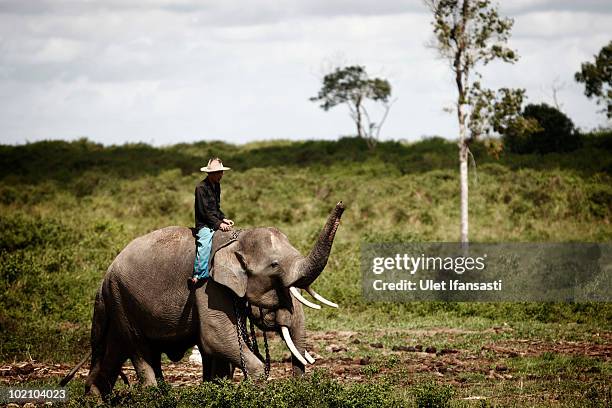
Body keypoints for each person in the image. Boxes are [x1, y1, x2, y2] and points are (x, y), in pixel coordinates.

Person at [191, 157, 234, 285]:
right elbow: (204, 212)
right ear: (210, 173)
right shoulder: (201, 188)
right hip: (204, 224)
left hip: (214, 220)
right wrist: (219, 224)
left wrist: (223, 218)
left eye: (221, 172)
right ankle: (198, 274)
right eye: (218, 172)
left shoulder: (217, 186)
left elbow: (216, 208)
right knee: (205, 244)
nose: (221, 175)